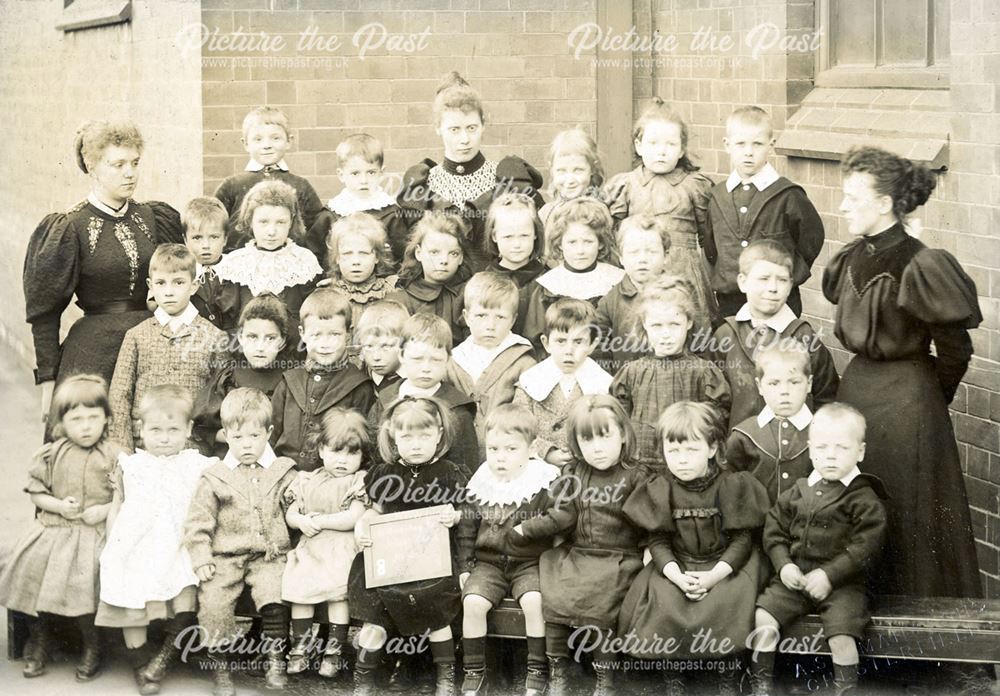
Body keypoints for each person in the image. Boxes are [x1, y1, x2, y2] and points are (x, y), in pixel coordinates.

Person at [822, 145, 983, 597]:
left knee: (911, 516)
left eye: (853, 198)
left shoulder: (921, 263)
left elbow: (955, 350)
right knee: (856, 506)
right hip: (857, 396)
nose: (843, 206)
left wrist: (926, 398)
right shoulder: (851, 257)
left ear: (884, 203)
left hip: (909, 408)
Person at [24, 120, 182, 424]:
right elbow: (46, 311)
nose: (130, 172)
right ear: (92, 166)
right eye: (117, 164)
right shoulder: (69, 227)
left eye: (135, 163)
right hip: (94, 352)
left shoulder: (154, 218)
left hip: (151, 347)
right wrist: (47, 382)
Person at [619, 401, 769, 694]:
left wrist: (714, 576)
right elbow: (658, 541)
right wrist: (676, 575)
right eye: (673, 451)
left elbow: (741, 541)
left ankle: (727, 672)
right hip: (679, 562)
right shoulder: (661, 487)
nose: (682, 460)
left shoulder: (731, 484)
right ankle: (673, 674)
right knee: (664, 599)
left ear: (712, 449)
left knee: (728, 599)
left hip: (725, 563)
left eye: (692, 450)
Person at [511, 395, 649, 696]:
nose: (597, 448)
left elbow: (649, 524)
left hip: (619, 557)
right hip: (579, 553)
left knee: (603, 601)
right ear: (576, 443)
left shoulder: (636, 476)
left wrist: (649, 552)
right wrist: (528, 528)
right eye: (587, 440)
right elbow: (562, 515)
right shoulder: (575, 473)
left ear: (623, 435)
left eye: (605, 436)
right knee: (556, 595)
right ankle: (558, 671)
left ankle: (605, 679)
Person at [750, 403, 888, 696]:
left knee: (842, 636)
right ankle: (761, 684)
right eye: (823, 448)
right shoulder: (800, 490)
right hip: (795, 580)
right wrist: (784, 565)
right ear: (811, 450)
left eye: (841, 448)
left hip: (843, 585)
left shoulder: (863, 497)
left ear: (860, 452)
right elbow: (774, 529)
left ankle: (845, 689)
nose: (831, 456)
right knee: (763, 618)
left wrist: (830, 575)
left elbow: (867, 546)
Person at [0, 375, 126, 681]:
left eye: (93, 418)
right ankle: (40, 642)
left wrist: (105, 509)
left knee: (84, 582)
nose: (85, 426)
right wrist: (57, 505)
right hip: (54, 528)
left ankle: (92, 645)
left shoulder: (115, 456)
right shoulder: (52, 453)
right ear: (61, 422)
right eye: (77, 419)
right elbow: (37, 492)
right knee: (32, 571)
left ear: (106, 418)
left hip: (92, 533)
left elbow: (131, 497)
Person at [349, 396, 476, 696]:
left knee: (437, 613)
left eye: (425, 436)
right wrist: (362, 525)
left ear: (439, 435)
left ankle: (445, 676)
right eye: (407, 437)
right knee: (376, 618)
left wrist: (454, 516)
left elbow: (468, 513)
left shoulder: (449, 473)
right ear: (393, 436)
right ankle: (362, 678)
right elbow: (374, 511)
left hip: (433, 563)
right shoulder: (385, 474)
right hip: (390, 563)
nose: (416, 444)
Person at [96, 385, 215, 695]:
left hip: (178, 542)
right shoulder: (131, 465)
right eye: (156, 429)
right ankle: (139, 661)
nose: (164, 437)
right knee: (128, 586)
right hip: (137, 543)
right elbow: (117, 508)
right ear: (141, 429)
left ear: (188, 428)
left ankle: (162, 659)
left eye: (173, 429)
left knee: (185, 585)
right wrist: (114, 546)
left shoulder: (197, 464)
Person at [183, 387, 298, 695]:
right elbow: (198, 523)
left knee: (274, 593)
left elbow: (296, 506)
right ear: (225, 435)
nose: (246, 445)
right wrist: (202, 557)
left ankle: (276, 659)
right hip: (226, 556)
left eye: (254, 437)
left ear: (269, 433)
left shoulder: (283, 471)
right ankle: (220, 669)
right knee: (214, 601)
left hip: (269, 554)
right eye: (237, 438)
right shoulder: (215, 476)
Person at [397, 71, 544, 272]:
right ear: (438, 128)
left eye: (472, 128)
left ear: (484, 125)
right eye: (454, 130)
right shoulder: (422, 184)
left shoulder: (507, 178)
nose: (464, 139)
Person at [461, 404, 560, 696]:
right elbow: (468, 528)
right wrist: (466, 566)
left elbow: (557, 520)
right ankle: (475, 672)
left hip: (527, 562)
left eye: (510, 449)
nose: (500, 457)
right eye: (493, 449)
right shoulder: (482, 480)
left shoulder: (542, 480)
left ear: (530, 449)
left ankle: (537, 669)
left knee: (533, 601)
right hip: (488, 564)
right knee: (473, 603)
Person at [604, 98, 719, 325]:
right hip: (640, 266)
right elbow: (614, 236)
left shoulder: (694, 185)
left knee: (685, 321)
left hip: (683, 269)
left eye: (670, 144)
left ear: (682, 149)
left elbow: (709, 238)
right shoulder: (625, 185)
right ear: (638, 145)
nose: (661, 152)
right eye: (653, 143)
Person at [704, 106, 825, 317]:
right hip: (731, 302)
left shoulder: (786, 195)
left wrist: (787, 276)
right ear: (727, 145)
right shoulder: (718, 196)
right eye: (741, 144)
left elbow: (811, 238)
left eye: (757, 144)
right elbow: (710, 247)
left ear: (771, 145)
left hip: (777, 299)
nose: (748, 152)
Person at [108, 244, 227, 450]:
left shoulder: (215, 337)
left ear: (193, 285)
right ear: (150, 286)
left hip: (193, 450)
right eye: (161, 283)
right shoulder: (136, 336)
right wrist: (123, 453)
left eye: (179, 282)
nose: (169, 292)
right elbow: (119, 397)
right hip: (143, 447)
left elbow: (222, 398)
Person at [711, 240, 838, 429]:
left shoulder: (805, 337)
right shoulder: (725, 336)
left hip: (794, 451)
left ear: (790, 285)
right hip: (738, 449)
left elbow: (826, 399)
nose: (773, 288)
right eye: (763, 279)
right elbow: (715, 404)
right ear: (743, 282)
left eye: (782, 280)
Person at [283, 409, 370, 679]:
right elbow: (291, 512)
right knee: (300, 591)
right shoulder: (307, 479)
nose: (343, 461)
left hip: (340, 548)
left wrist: (319, 521)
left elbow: (353, 517)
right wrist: (299, 521)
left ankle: (334, 650)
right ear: (321, 450)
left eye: (351, 454)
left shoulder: (359, 481)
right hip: (310, 547)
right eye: (336, 452)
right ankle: (301, 647)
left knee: (337, 594)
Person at [611, 281, 730, 470]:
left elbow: (717, 417)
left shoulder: (703, 372)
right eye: (657, 325)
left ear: (688, 322)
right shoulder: (631, 372)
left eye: (674, 324)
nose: (666, 334)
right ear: (645, 324)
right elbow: (618, 418)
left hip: (687, 464)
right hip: (640, 465)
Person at [212, 179, 323, 355]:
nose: (271, 231)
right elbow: (228, 319)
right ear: (250, 221)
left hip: (293, 353)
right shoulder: (236, 263)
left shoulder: (303, 261)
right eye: (263, 222)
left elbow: (309, 316)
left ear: (291, 222)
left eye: (280, 222)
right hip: (246, 353)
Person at [270, 288, 375, 471]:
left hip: (334, 481)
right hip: (284, 476)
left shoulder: (358, 386)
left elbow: (363, 447)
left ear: (348, 333)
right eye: (316, 335)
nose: (325, 344)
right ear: (302, 333)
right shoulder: (290, 381)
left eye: (334, 334)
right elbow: (270, 435)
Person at [368, 313, 479, 476]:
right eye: (417, 359)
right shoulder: (386, 401)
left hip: (437, 493)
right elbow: (371, 454)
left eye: (435, 360)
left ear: (447, 360)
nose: (426, 368)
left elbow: (465, 469)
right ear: (401, 356)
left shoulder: (457, 410)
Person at [214, 106, 330, 259]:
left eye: (275, 138)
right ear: (245, 144)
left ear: (289, 141)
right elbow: (214, 225)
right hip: (240, 268)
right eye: (258, 139)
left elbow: (317, 232)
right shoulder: (231, 185)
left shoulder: (301, 186)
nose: (267, 145)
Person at [513, 299, 614, 469]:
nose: (569, 350)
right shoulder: (531, 381)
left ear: (592, 345)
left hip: (586, 469)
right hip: (536, 466)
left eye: (578, 342)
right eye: (561, 341)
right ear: (546, 343)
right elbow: (516, 428)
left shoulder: (602, 384)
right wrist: (546, 452)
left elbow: (608, 432)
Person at [192, 294, 291, 458]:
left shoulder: (290, 380)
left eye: (270, 338)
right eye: (252, 337)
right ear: (241, 337)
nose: (260, 347)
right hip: (231, 460)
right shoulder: (229, 376)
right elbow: (203, 429)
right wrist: (238, 439)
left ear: (282, 341)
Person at [447, 272, 536, 454]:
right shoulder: (453, 361)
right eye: (481, 316)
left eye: (500, 317)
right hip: (458, 451)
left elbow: (528, 416)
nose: (490, 325)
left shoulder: (524, 362)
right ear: (467, 316)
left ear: (512, 320)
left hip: (506, 452)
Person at [520, 197, 625, 349]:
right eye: (572, 242)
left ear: (600, 243)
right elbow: (535, 338)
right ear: (560, 244)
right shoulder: (548, 286)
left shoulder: (616, 281)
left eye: (588, 242)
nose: (580, 251)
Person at [725, 344, 815, 503]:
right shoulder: (744, 435)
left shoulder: (821, 432)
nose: (784, 391)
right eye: (774, 383)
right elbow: (730, 483)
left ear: (809, 383)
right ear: (760, 386)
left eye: (794, 382)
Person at [596, 214, 673, 373]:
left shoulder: (679, 295)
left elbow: (699, 343)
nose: (642, 259)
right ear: (621, 258)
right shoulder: (609, 302)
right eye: (633, 252)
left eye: (651, 252)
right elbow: (600, 352)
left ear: (666, 256)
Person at [388, 210, 474, 346]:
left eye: (453, 253)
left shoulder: (469, 296)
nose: (444, 260)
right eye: (434, 252)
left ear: (461, 258)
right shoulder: (401, 299)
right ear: (418, 253)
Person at [327, 133, 408, 266]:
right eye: (355, 173)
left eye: (371, 172)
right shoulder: (332, 213)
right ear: (341, 175)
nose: (364, 181)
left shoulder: (391, 214)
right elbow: (317, 253)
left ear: (381, 173)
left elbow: (402, 255)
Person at [322, 212, 398, 331]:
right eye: (347, 254)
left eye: (363, 253)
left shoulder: (390, 293)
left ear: (377, 256)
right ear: (337, 257)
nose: (356, 261)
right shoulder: (328, 295)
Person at [182, 196, 239, 331]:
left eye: (214, 237)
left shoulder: (237, 268)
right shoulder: (182, 270)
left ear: (225, 239)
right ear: (185, 239)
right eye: (197, 238)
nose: (205, 245)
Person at [539, 128, 606, 226]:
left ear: (592, 169)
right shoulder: (546, 213)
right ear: (552, 170)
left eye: (578, 170)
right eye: (561, 171)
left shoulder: (599, 212)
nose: (570, 180)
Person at [354, 299, 409, 394]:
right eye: (369, 346)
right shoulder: (358, 378)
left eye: (386, 346)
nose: (376, 357)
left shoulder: (415, 379)